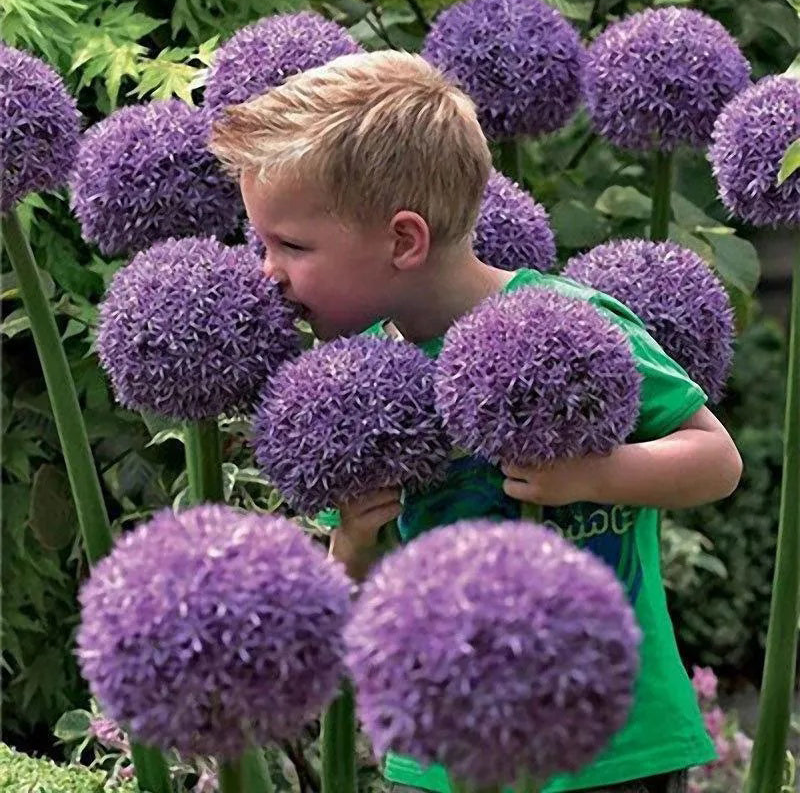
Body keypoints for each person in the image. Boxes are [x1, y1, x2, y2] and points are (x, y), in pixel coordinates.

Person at [209, 50, 742, 793]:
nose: (266, 270)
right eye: (262, 242)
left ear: (403, 241)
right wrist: (355, 539)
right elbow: (351, 584)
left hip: (614, 748)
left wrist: (596, 472)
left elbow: (715, 461)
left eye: (291, 246)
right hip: (442, 758)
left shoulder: (572, 324)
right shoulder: (352, 381)